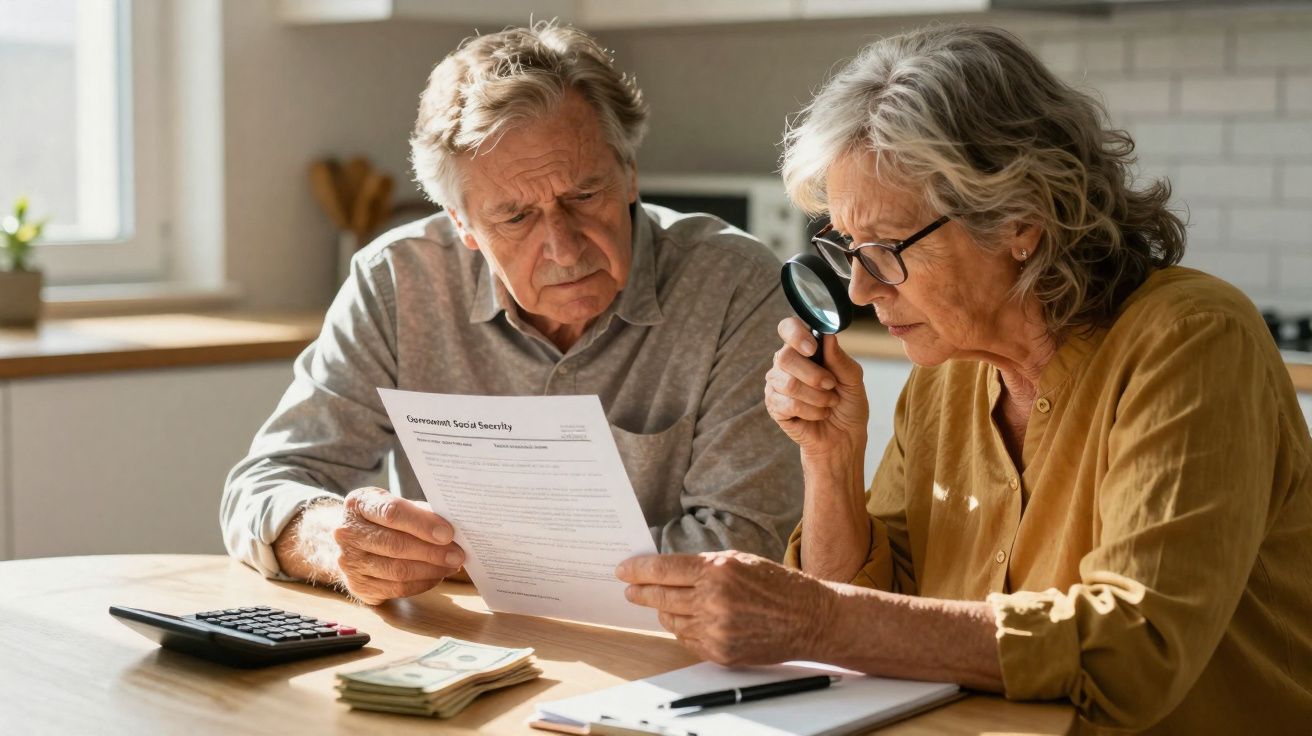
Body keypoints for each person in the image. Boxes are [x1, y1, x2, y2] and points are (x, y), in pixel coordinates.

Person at [617, 25, 1312, 734]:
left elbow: (1135, 646)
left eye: (887, 248)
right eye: (848, 247)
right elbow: (878, 613)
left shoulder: (1192, 341)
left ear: (1021, 221)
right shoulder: (947, 368)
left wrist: (813, 617)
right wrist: (830, 462)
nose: (860, 290)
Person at [221, 22, 802, 607]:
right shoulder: (397, 282)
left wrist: (466, 562)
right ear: (461, 224)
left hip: (668, 654)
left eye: (583, 196)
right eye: (516, 217)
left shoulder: (734, 284)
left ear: (629, 175)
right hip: (462, 650)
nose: (565, 249)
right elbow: (260, 490)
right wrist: (335, 541)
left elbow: (747, 547)